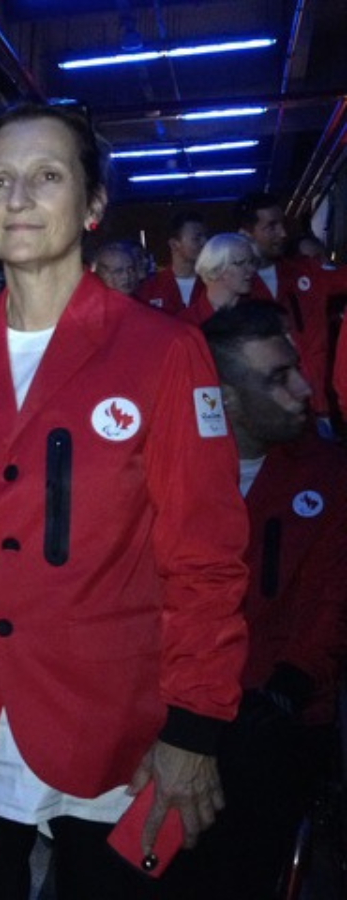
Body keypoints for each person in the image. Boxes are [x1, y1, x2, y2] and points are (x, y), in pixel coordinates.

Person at [0, 101, 249, 899]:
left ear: (91, 205)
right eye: (0, 182)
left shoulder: (162, 352)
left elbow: (205, 557)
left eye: (47, 177)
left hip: (108, 718)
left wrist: (195, 725)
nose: (19, 198)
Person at [162, 301, 347, 899]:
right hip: (174, 706)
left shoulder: (328, 476)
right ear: (226, 400)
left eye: (294, 367)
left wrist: (281, 693)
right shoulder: (165, 472)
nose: (303, 388)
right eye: (278, 378)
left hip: (271, 714)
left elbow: (328, 610)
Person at [236, 192, 347, 434]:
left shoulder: (307, 272)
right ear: (246, 234)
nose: (283, 234)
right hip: (264, 421)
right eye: (271, 227)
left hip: (318, 412)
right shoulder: (233, 289)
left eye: (282, 225)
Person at [178, 232, 260, 326]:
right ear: (216, 269)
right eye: (241, 263)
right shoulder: (186, 322)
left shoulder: (258, 316)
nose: (252, 269)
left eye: (251, 262)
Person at [135, 211, 208, 314]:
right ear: (174, 244)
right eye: (197, 238)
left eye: (205, 236)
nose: (204, 242)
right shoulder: (150, 288)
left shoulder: (212, 284)